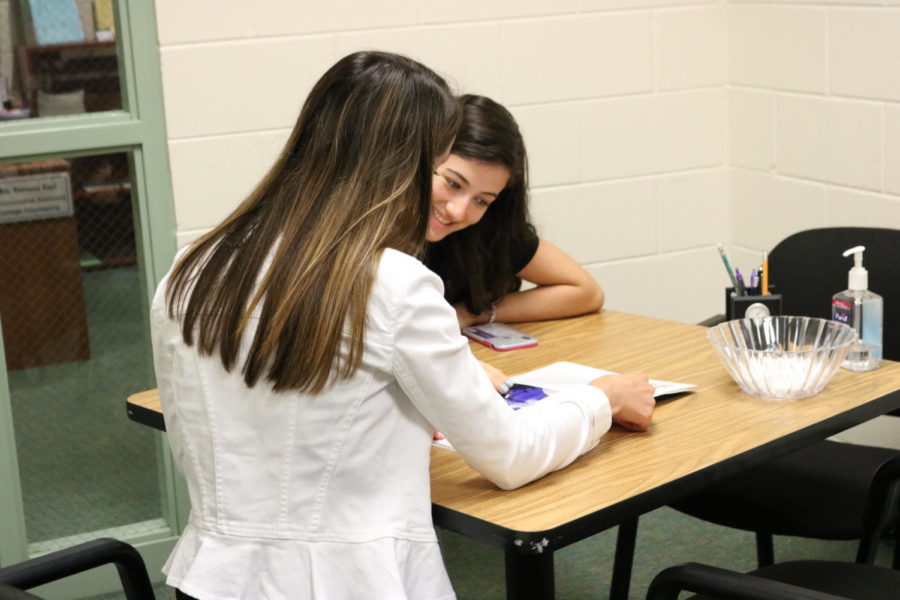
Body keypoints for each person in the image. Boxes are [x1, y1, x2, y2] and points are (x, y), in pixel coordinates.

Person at [151, 51, 655, 600]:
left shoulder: (192, 264)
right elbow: (509, 456)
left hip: (210, 580)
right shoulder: (394, 284)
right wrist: (600, 399)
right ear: (399, 162)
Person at [424, 94, 605, 329]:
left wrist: (471, 314)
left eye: (481, 200)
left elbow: (586, 292)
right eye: (453, 183)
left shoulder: (487, 229)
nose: (458, 212)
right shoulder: (371, 224)